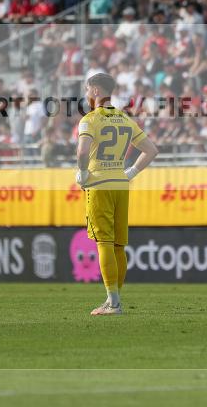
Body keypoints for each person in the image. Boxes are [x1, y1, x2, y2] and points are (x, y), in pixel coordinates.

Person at [75, 72, 158, 316]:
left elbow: (82, 153)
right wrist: (130, 172)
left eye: (88, 90)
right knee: (119, 245)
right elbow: (151, 150)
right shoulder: (124, 118)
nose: (87, 94)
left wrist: (82, 172)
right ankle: (115, 298)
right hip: (121, 184)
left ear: (97, 90)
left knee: (105, 243)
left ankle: (113, 303)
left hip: (99, 183)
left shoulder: (90, 119)